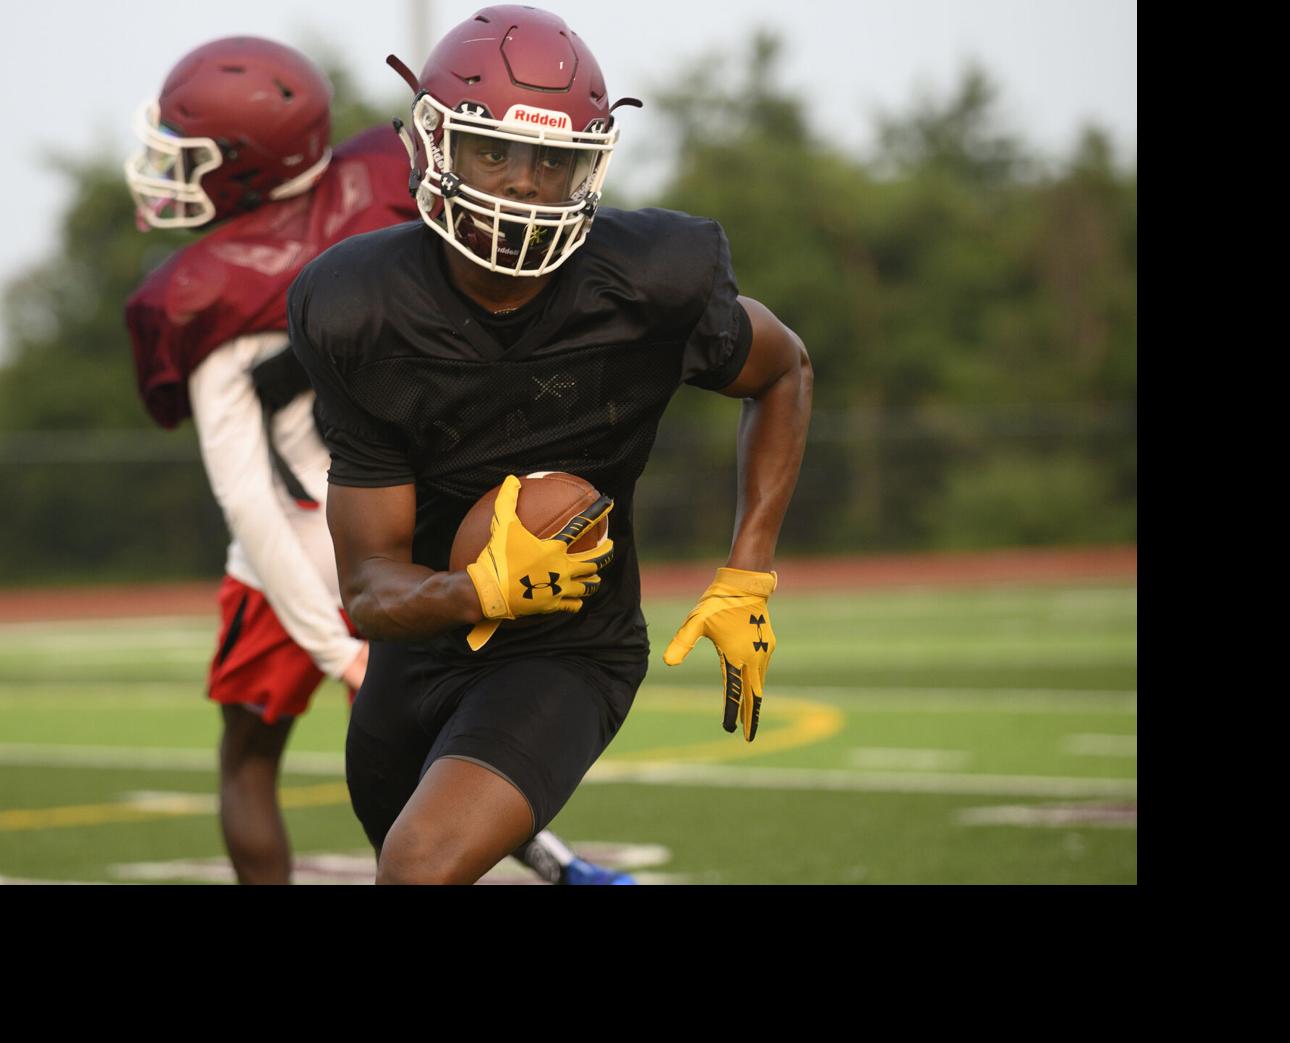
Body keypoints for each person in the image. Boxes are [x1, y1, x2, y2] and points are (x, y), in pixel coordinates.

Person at [287, 5, 813, 885]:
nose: (525, 183)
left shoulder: (650, 279)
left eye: (555, 160)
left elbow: (783, 368)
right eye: (494, 151)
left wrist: (749, 566)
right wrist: (475, 589)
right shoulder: (358, 307)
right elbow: (370, 586)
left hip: (571, 643)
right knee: (402, 846)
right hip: (421, 642)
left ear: (592, 166)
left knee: (419, 865)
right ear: (431, 144)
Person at [123, 34, 636, 886]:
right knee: (457, 744)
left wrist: (340, 648)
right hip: (418, 535)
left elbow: (248, 502)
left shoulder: (204, 297)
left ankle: (549, 863)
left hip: (301, 552)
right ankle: (558, 863)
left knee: (248, 760)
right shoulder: (391, 208)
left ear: (243, 164)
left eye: (195, 155)